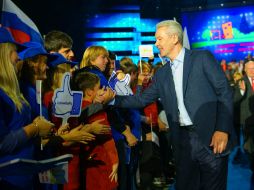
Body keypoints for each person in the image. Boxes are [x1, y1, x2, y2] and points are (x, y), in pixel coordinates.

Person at [113, 20, 235, 190]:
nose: (156, 44)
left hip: (211, 139)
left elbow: (225, 93)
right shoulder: (162, 73)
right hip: (182, 142)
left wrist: (222, 129)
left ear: (174, 38)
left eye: (159, 39)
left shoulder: (202, 58)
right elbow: (141, 100)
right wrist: (112, 99)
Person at [0, 27, 54, 190]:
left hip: (28, 176)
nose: (18, 56)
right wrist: (35, 128)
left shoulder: (16, 92)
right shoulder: (20, 92)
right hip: (9, 181)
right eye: (15, 51)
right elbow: (2, 143)